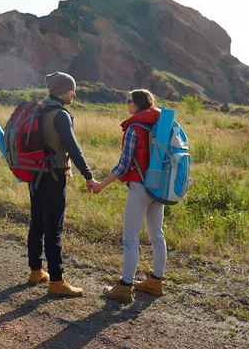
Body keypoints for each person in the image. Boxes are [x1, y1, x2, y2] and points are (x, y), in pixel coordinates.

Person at [91, 89, 167, 303]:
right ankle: (155, 282)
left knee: (131, 239)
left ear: (138, 104)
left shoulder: (135, 128)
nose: (127, 105)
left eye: (129, 101)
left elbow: (124, 165)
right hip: (158, 187)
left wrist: (101, 185)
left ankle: (124, 287)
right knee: (157, 235)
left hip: (140, 188)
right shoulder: (159, 124)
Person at [28, 71, 97, 297]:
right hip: (54, 177)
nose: (74, 93)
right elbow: (73, 149)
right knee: (54, 229)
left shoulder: (38, 110)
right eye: (71, 89)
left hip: (34, 175)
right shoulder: (60, 115)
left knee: (37, 223)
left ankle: (36, 271)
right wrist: (88, 175)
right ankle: (57, 281)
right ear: (60, 90)